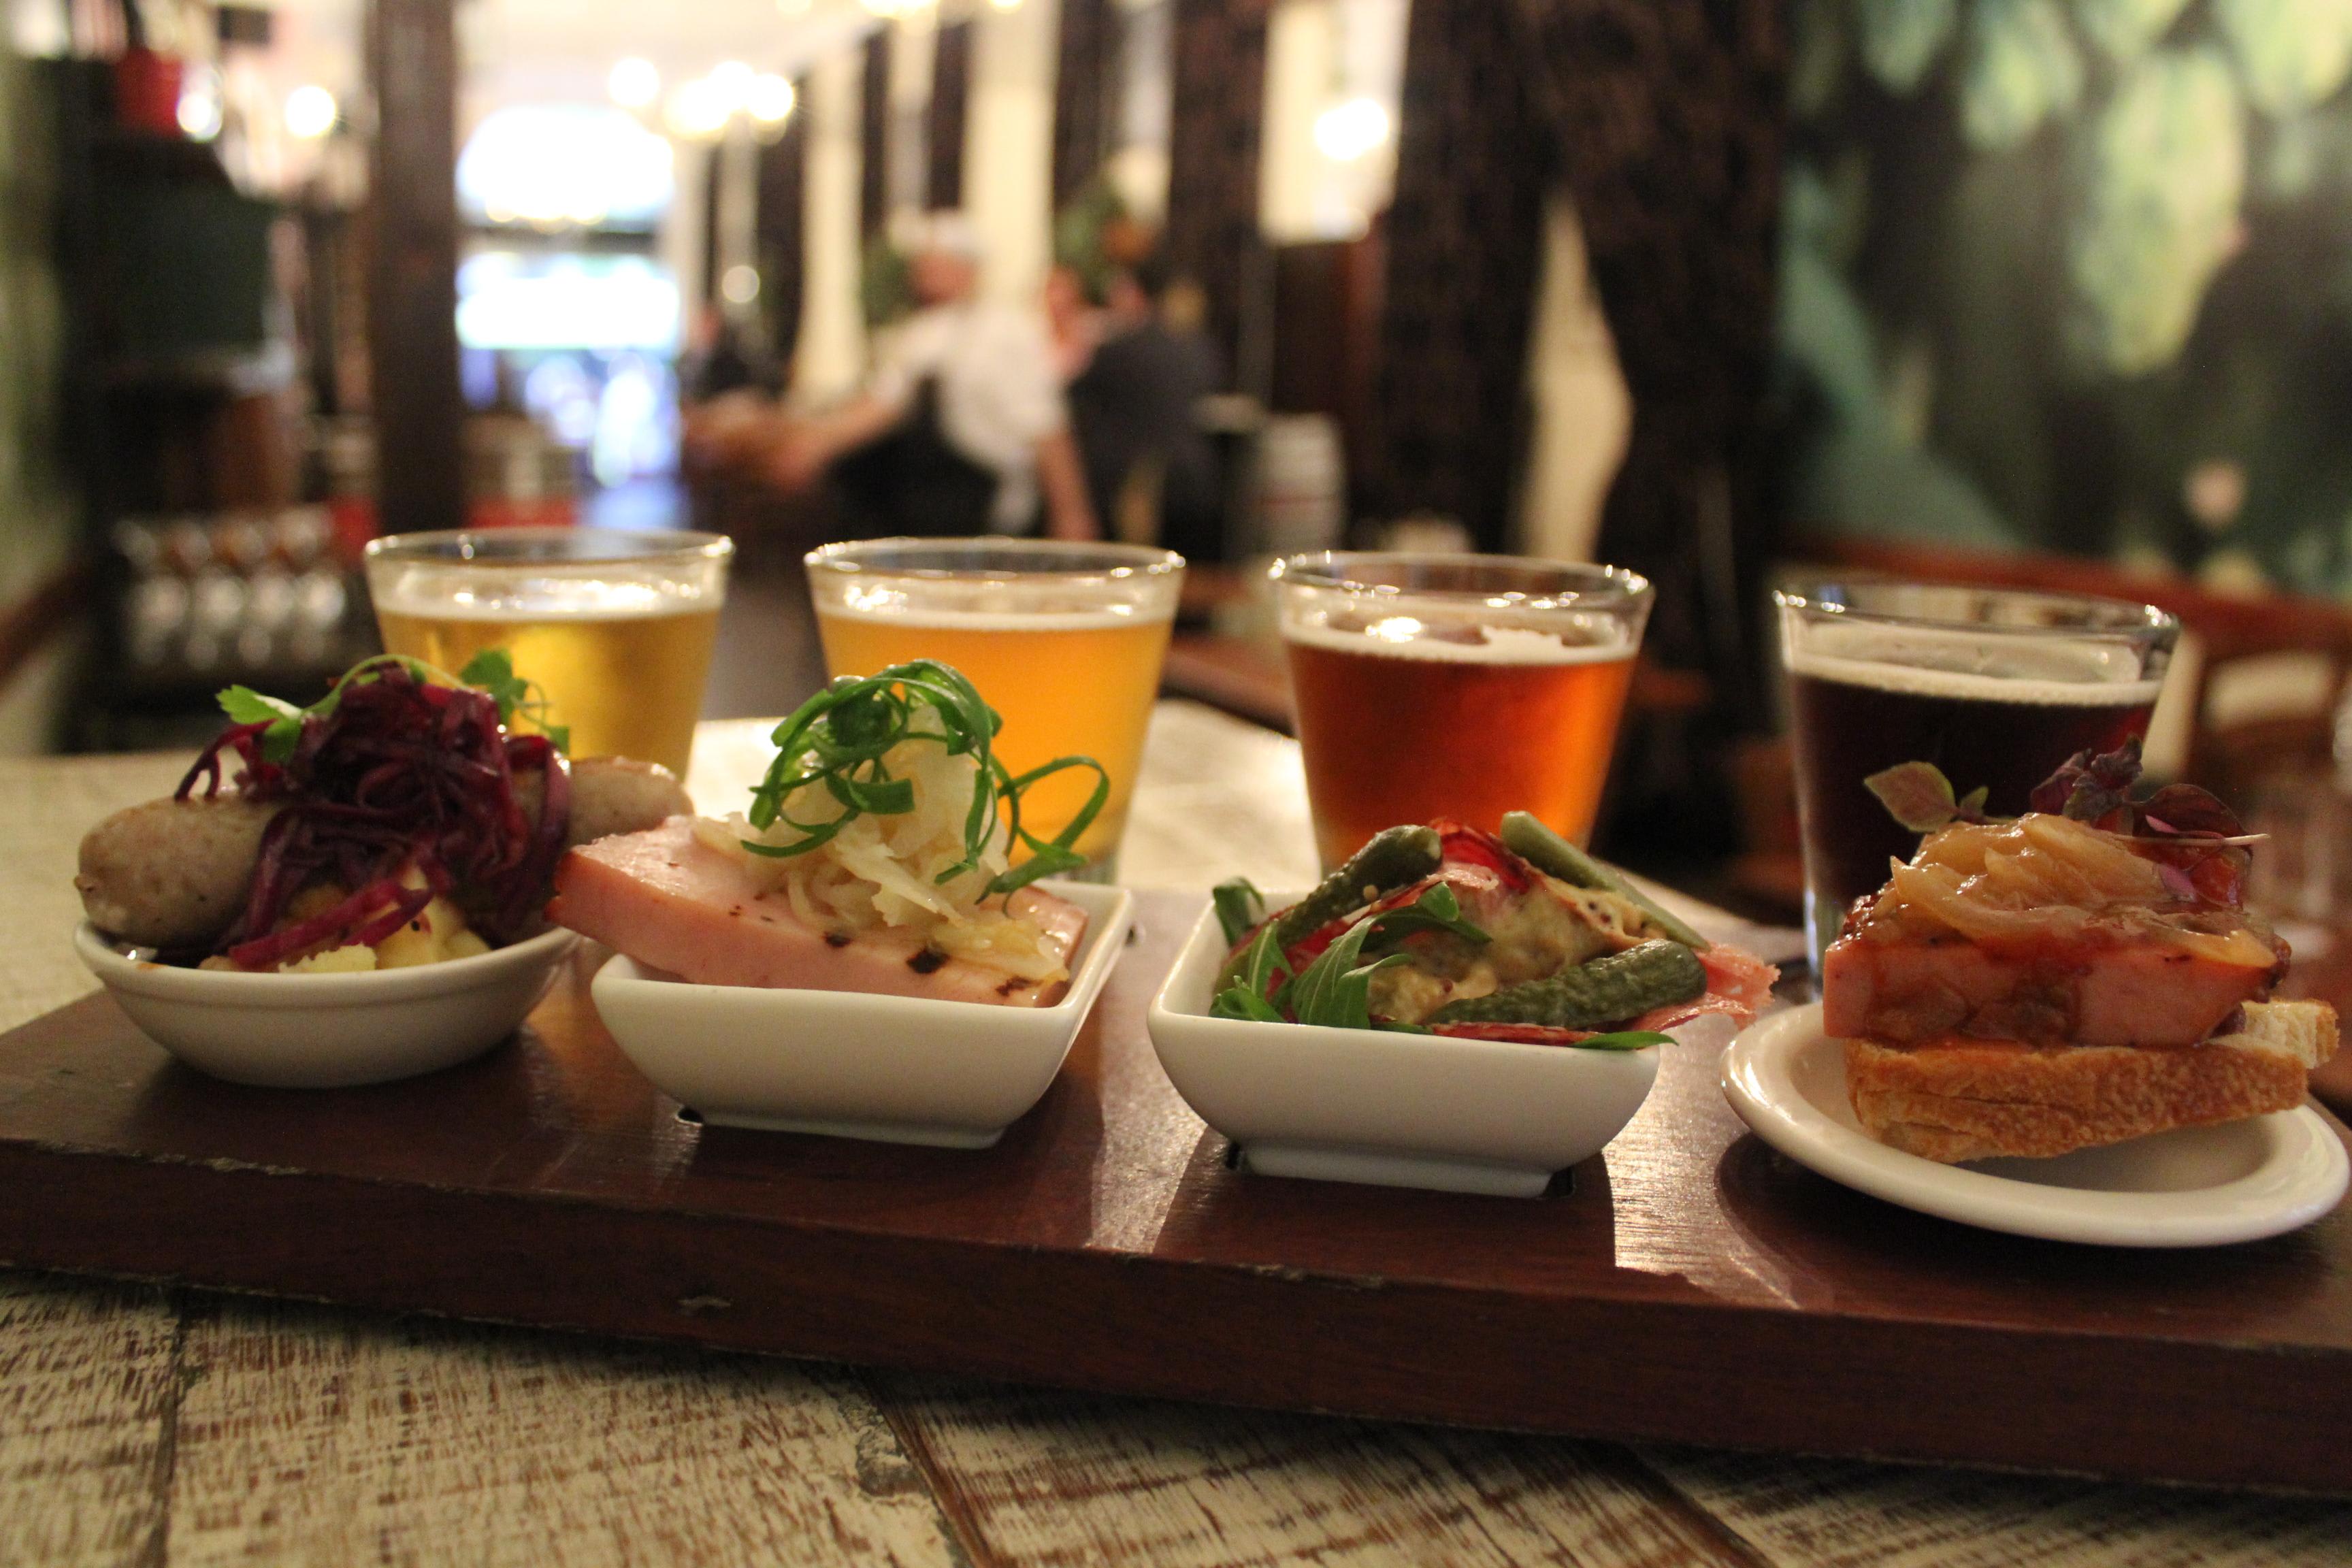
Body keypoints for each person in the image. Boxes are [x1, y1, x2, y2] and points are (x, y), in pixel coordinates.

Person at [767, 214, 1097, 539]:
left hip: (982, 503)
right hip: (927, 502)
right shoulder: (927, 331)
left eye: (933, 264)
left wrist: (1071, 514)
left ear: (966, 269)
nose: (921, 274)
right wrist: (809, 440)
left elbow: (1045, 427)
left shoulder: (1005, 331)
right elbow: (880, 402)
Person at [1065, 252, 1222, 557]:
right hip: (1195, 480)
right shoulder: (1195, 347)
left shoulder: (1118, 351)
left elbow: (1071, 403)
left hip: (1139, 488)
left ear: (1134, 292)